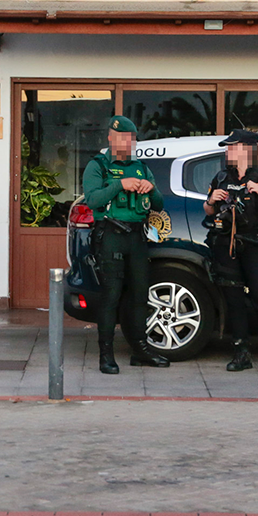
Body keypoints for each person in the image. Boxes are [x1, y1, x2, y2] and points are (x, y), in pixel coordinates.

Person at [82, 116, 170, 374]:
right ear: (110, 138)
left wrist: (149, 187)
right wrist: (120, 184)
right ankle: (106, 355)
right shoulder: (97, 165)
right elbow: (92, 199)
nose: (125, 142)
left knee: (140, 294)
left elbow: (158, 204)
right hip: (110, 235)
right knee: (111, 296)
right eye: (120, 137)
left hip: (137, 237)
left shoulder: (141, 167)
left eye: (130, 138)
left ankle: (140, 349)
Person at [203, 130, 258, 375]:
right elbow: (208, 211)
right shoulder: (221, 176)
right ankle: (241, 353)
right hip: (227, 246)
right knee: (234, 301)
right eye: (228, 147)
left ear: (247, 149)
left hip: (254, 246)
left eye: (233, 146)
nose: (228, 151)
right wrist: (211, 200)